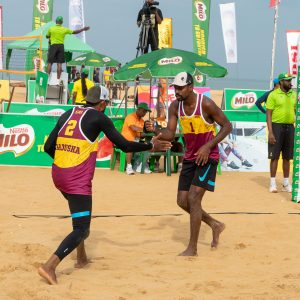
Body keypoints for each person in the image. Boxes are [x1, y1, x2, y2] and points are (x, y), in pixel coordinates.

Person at [38, 86, 171, 285]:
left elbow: (49, 146)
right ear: (101, 104)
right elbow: (124, 145)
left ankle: (81, 258)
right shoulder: (99, 118)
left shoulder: (68, 113)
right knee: (82, 229)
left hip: (58, 174)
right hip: (76, 180)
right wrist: (150, 146)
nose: (106, 107)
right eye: (106, 104)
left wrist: (65, 164)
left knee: (80, 220)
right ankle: (50, 266)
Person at [152, 72, 232, 256]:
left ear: (190, 86)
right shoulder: (175, 106)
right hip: (190, 157)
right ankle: (215, 224)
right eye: (175, 88)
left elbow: (227, 126)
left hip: (208, 156)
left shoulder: (206, 103)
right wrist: (156, 131)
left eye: (180, 88)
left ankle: (192, 248)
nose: (177, 91)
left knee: (194, 199)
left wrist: (208, 145)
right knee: (182, 201)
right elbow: (170, 134)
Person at [266, 72, 296, 193]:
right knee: (274, 157)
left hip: (290, 127)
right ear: (281, 82)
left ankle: (285, 183)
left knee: (287, 157)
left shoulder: (294, 95)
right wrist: (271, 132)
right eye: (288, 80)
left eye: (290, 80)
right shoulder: (273, 95)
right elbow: (268, 114)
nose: (290, 82)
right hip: (276, 127)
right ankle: (272, 184)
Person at [46, 16, 90, 80]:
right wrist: (83, 29)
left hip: (53, 45)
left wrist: (50, 38)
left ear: (56, 21)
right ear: (62, 22)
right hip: (61, 46)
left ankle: (47, 78)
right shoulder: (64, 29)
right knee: (59, 63)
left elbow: (47, 36)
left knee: (50, 62)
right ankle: (58, 80)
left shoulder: (51, 29)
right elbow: (74, 32)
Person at [121, 102, 152, 175]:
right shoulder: (130, 117)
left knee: (150, 145)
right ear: (139, 109)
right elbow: (134, 128)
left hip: (136, 140)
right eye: (144, 111)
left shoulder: (142, 121)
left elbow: (140, 134)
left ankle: (141, 165)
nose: (145, 113)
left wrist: (148, 133)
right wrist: (144, 130)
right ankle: (129, 167)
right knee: (130, 145)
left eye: (146, 112)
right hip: (125, 140)